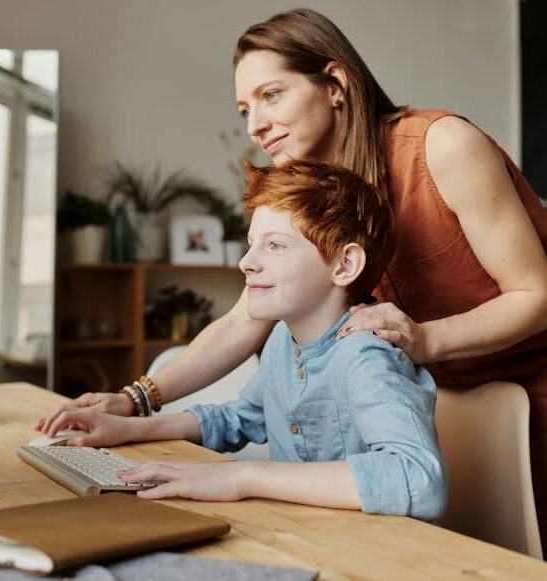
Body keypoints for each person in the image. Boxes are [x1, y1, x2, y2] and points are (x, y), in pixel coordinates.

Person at [38, 8, 547, 544]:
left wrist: (424, 339)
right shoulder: (304, 185)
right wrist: (135, 400)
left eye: (270, 95)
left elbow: (536, 293)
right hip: (442, 396)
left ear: (335, 84)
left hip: (531, 385)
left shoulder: (442, 145)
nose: (253, 123)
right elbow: (243, 322)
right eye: (243, 108)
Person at [41, 159, 447, 521]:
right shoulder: (281, 343)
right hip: (300, 534)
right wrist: (127, 428)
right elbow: (241, 418)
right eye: (252, 243)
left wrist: (242, 476)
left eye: (274, 245)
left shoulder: (366, 355)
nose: (247, 261)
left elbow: (418, 478)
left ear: (344, 264)